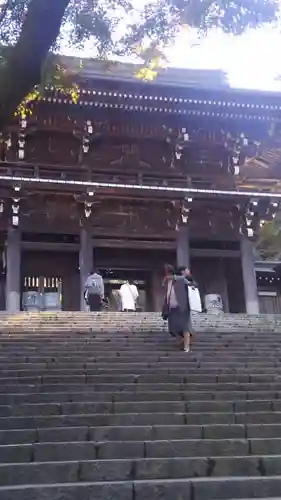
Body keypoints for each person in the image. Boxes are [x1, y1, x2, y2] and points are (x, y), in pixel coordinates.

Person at [162, 264, 193, 352]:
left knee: (184, 326)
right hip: (172, 307)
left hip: (183, 307)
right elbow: (167, 294)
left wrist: (169, 278)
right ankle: (185, 340)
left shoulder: (180, 279)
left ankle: (186, 346)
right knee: (172, 327)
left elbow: (188, 282)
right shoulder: (168, 282)